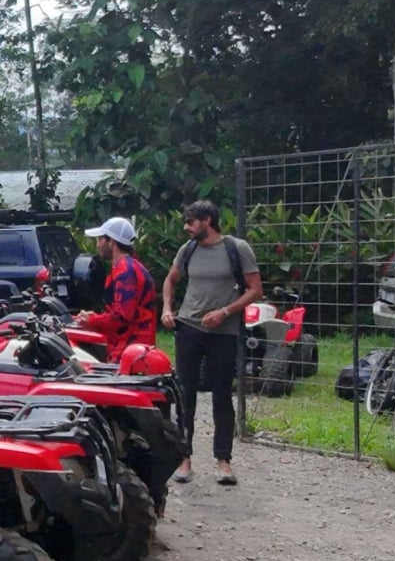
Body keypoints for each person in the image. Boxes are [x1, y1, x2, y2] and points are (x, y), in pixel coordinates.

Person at [160, 200, 263, 486]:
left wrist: (225, 312)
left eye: (191, 221)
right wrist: (167, 309)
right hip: (189, 327)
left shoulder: (236, 248)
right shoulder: (188, 249)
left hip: (223, 332)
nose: (186, 227)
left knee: (221, 395)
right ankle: (184, 458)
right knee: (185, 394)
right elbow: (170, 280)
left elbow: (255, 289)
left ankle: (223, 460)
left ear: (207, 220)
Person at [76, 216, 158, 362]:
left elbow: (122, 317)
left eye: (100, 239)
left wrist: (92, 320)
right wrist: (95, 318)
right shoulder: (128, 266)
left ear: (112, 242)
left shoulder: (126, 270)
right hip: (128, 346)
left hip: (131, 349)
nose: (97, 245)